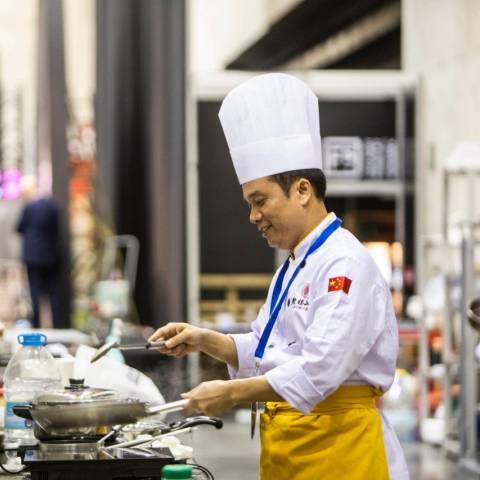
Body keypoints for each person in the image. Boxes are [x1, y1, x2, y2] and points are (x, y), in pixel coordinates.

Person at [150, 73, 409, 479]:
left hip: (341, 450)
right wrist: (205, 340)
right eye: (249, 203)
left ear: (302, 190)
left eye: (260, 201)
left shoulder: (344, 264)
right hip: (294, 445)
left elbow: (317, 369)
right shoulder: (296, 262)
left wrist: (231, 393)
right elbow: (268, 346)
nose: (253, 216)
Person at [16, 177, 61, 328]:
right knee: (53, 293)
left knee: (35, 292)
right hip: (50, 255)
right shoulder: (52, 206)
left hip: (33, 257)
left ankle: (36, 325)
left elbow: (19, 228)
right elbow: (56, 229)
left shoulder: (28, 207)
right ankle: (57, 324)